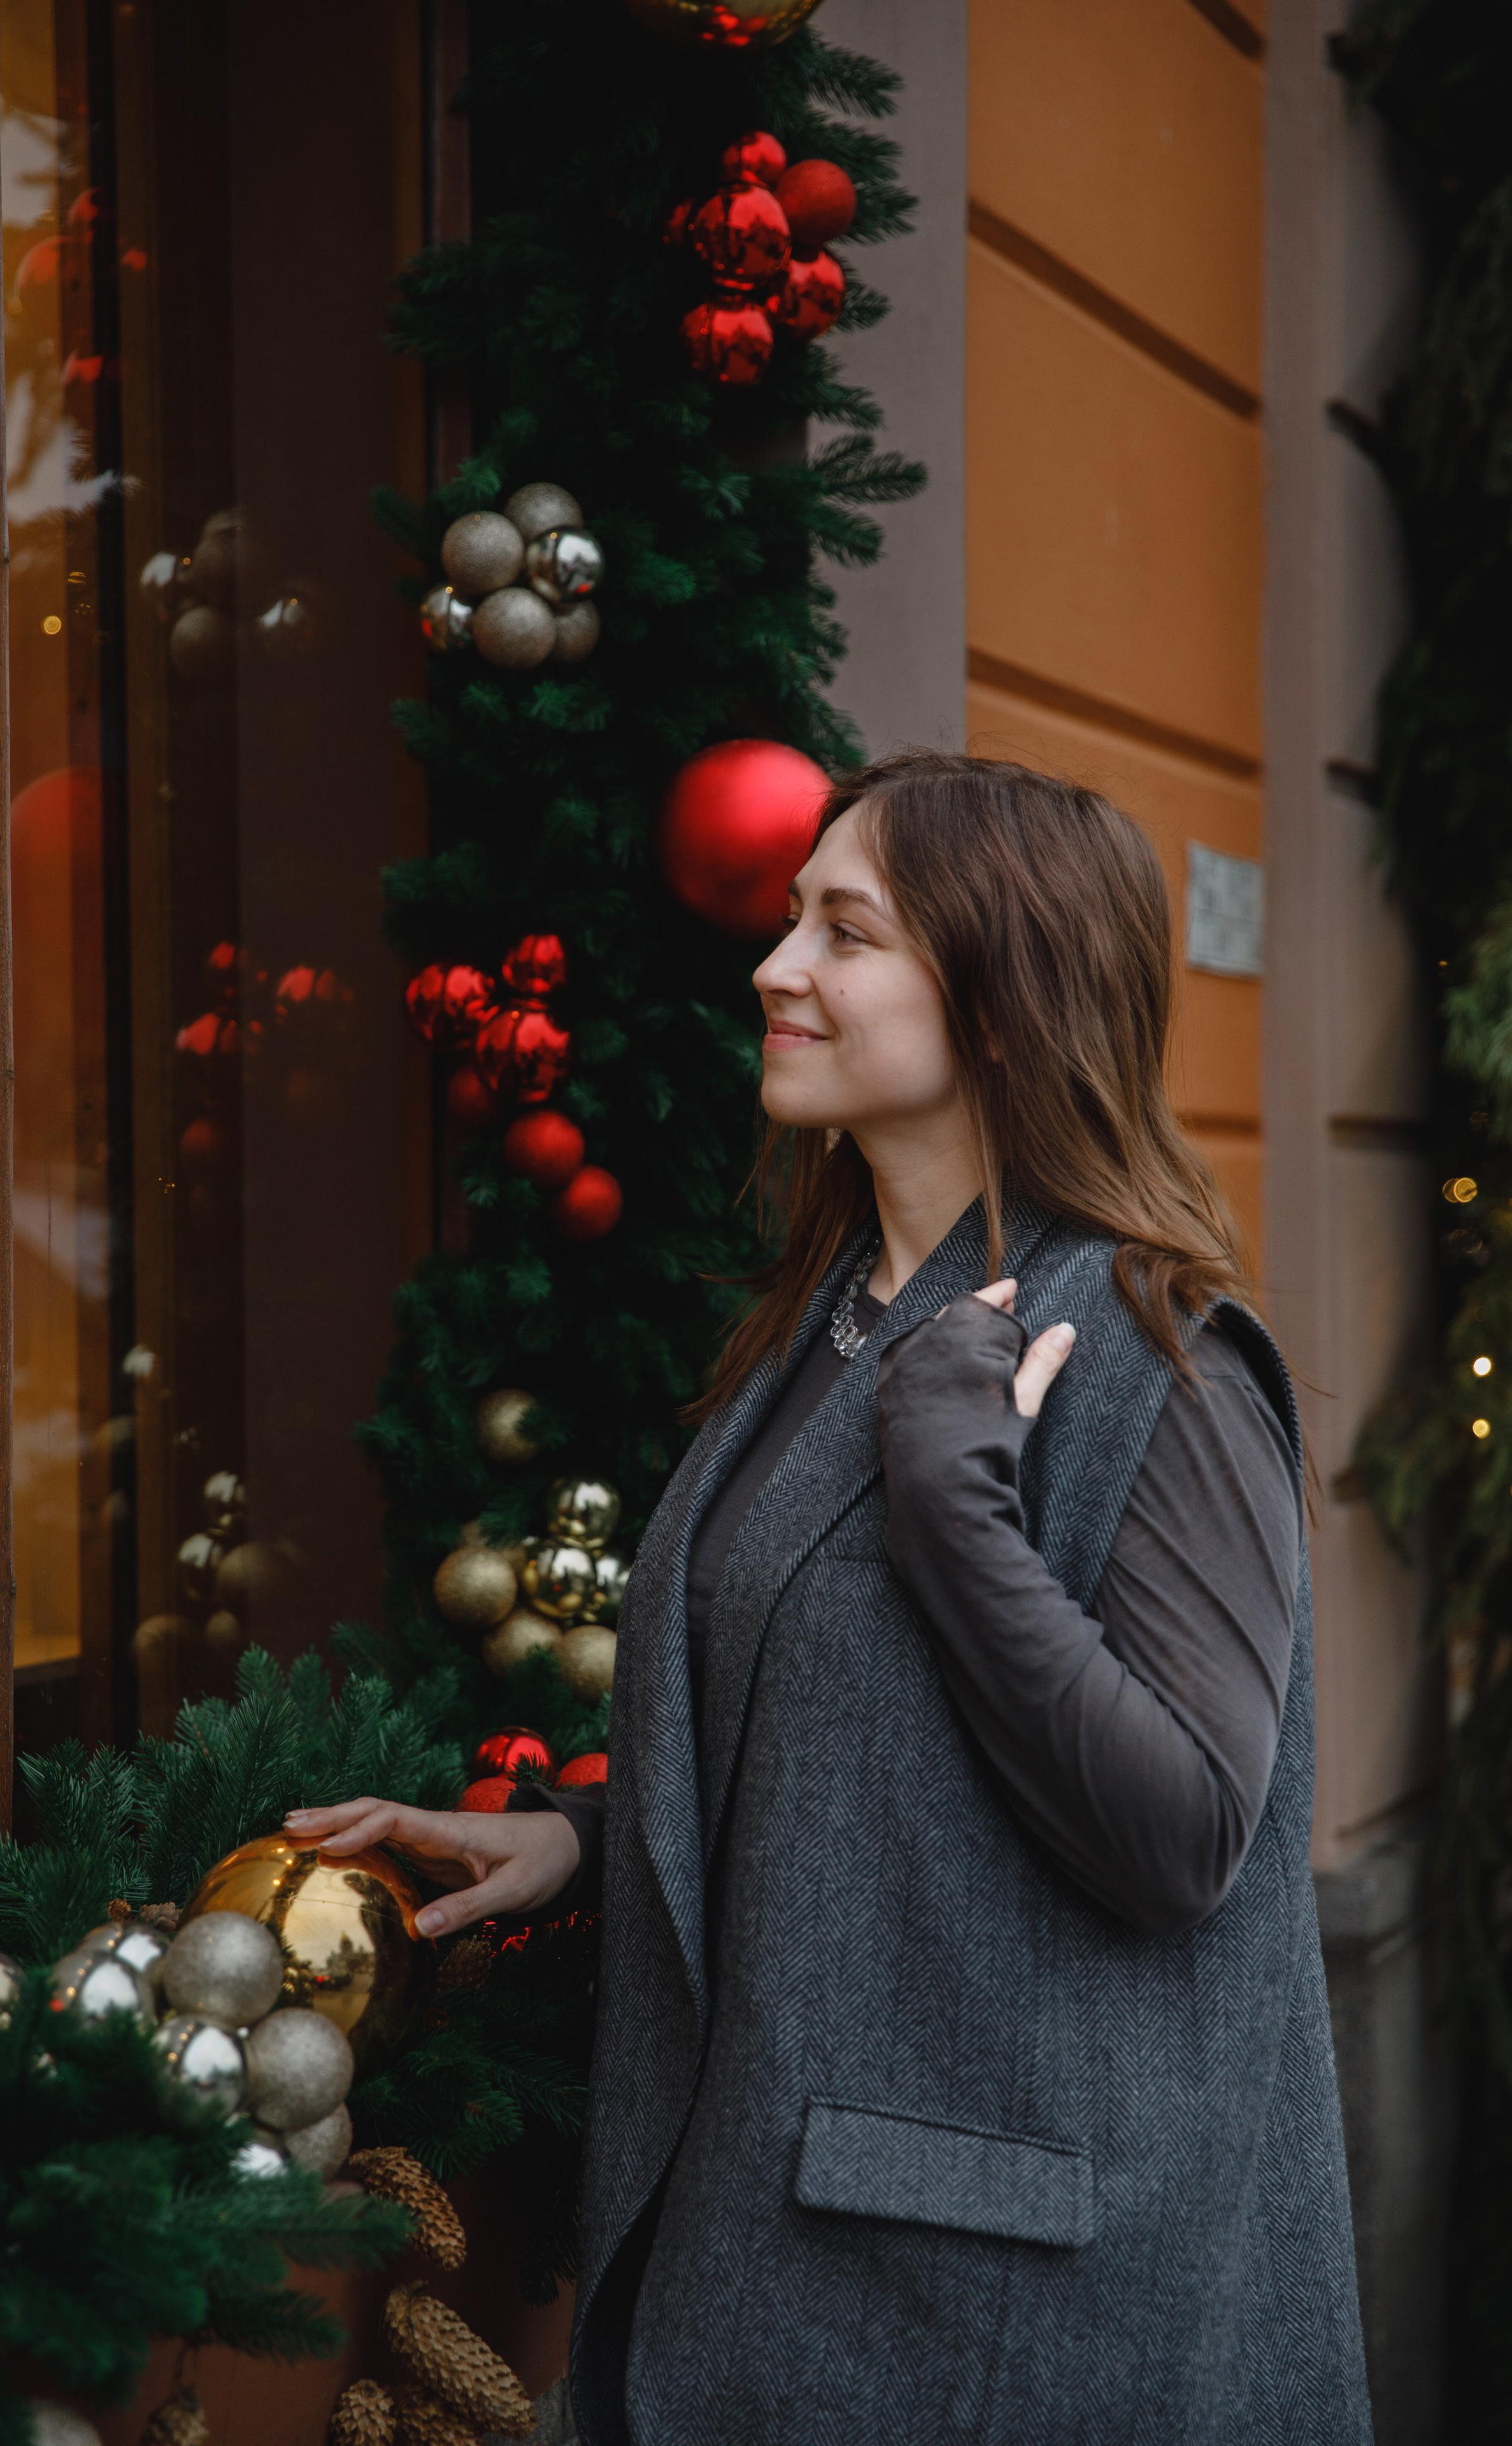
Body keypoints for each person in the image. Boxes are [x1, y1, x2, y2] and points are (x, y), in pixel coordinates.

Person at [285, 753, 1371, 2445]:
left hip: (998, 2324)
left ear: (1007, 1004)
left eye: (843, 930)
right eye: (793, 915)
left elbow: (1182, 1836)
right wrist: (581, 1830)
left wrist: (956, 1507)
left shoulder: (1163, 1362)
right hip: (780, 2256)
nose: (774, 968)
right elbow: (860, 1717)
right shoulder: (838, 1315)